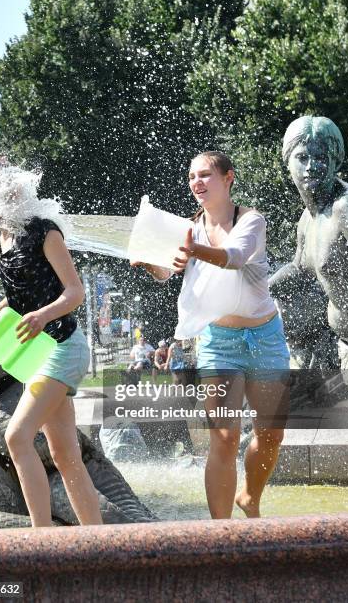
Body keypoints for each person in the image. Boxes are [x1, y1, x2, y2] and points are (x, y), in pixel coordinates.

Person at [132, 150, 290, 519]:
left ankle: (250, 496)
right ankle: (220, 537)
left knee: (270, 434)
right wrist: (150, 262)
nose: (196, 183)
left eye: (205, 175)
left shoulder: (251, 220)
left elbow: (234, 256)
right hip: (219, 343)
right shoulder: (187, 228)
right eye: (191, 177)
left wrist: (193, 250)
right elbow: (166, 272)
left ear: (228, 178)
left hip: (265, 338)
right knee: (223, 436)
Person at [0, 168, 102, 528]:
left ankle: (41, 541)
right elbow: (18, 295)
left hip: (63, 348)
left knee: (17, 437)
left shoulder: (44, 232)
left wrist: (42, 315)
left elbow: (75, 292)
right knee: (65, 454)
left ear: (17, 195)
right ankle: (98, 542)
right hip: (37, 354)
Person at [269, 116, 348, 387]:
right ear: (288, 163)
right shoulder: (307, 219)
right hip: (346, 343)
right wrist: (255, 288)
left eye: (320, 157)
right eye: (302, 157)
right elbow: (299, 268)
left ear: (335, 161)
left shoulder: (346, 209)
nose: (310, 166)